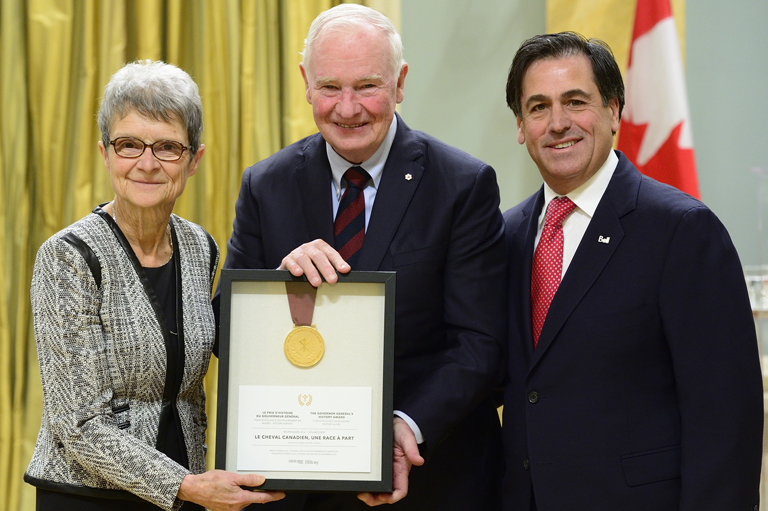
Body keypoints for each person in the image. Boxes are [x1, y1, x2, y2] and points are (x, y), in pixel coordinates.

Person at [215, 4, 507, 510]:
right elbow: (224, 330)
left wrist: (403, 428)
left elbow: (479, 343)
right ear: (306, 83)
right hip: (298, 486)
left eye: (367, 86)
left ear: (400, 82)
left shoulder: (462, 186)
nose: (348, 109)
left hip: (430, 481)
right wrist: (274, 289)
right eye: (330, 87)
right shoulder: (267, 186)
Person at [501, 32, 763, 511]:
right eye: (538, 107)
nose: (558, 123)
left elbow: (726, 419)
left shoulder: (682, 230)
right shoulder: (506, 235)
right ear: (520, 126)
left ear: (614, 111)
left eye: (575, 102)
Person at [25, 60, 284, 511]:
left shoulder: (199, 246)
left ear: (194, 159)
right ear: (105, 153)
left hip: (185, 489)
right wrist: (186, 486)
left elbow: (204, 377)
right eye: (128, 145)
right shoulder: (66, 256)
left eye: (167, 147)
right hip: (89, 496)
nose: (146, 164)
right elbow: (80, 424)